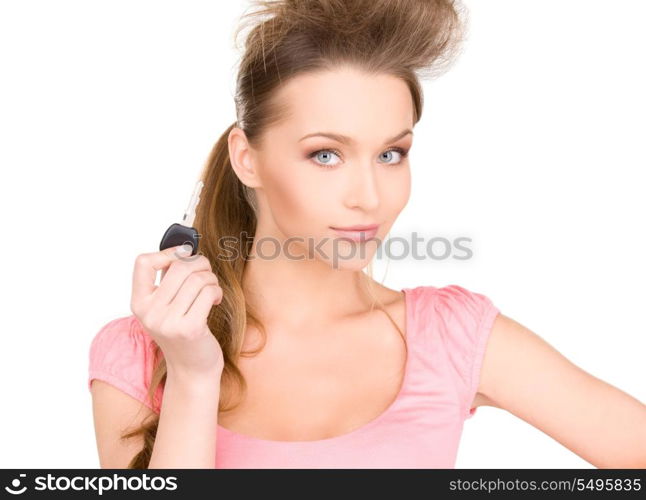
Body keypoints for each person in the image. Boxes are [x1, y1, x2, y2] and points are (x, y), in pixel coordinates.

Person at [88, 0, 646, 469]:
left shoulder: (451, 338)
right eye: (326, 155)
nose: (370, 197)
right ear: (246, 158)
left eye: (390, 154)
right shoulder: (139, 354)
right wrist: (192, 376)